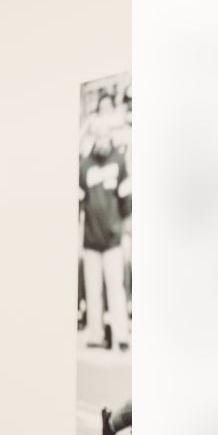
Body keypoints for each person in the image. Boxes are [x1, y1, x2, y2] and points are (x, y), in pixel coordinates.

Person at [80, 105, 132, 352]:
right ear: (93, 137)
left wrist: (124, 231)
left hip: (112, 238)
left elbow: (126, 201)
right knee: (93, 289)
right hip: (90, 239)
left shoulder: (119, 161)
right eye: (96, 135)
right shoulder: (84, 166)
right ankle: (95, 335)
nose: (101, 139)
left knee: (115, 287)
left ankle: (121, 335)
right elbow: (80, 201)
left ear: (109, 135)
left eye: (104, 135)